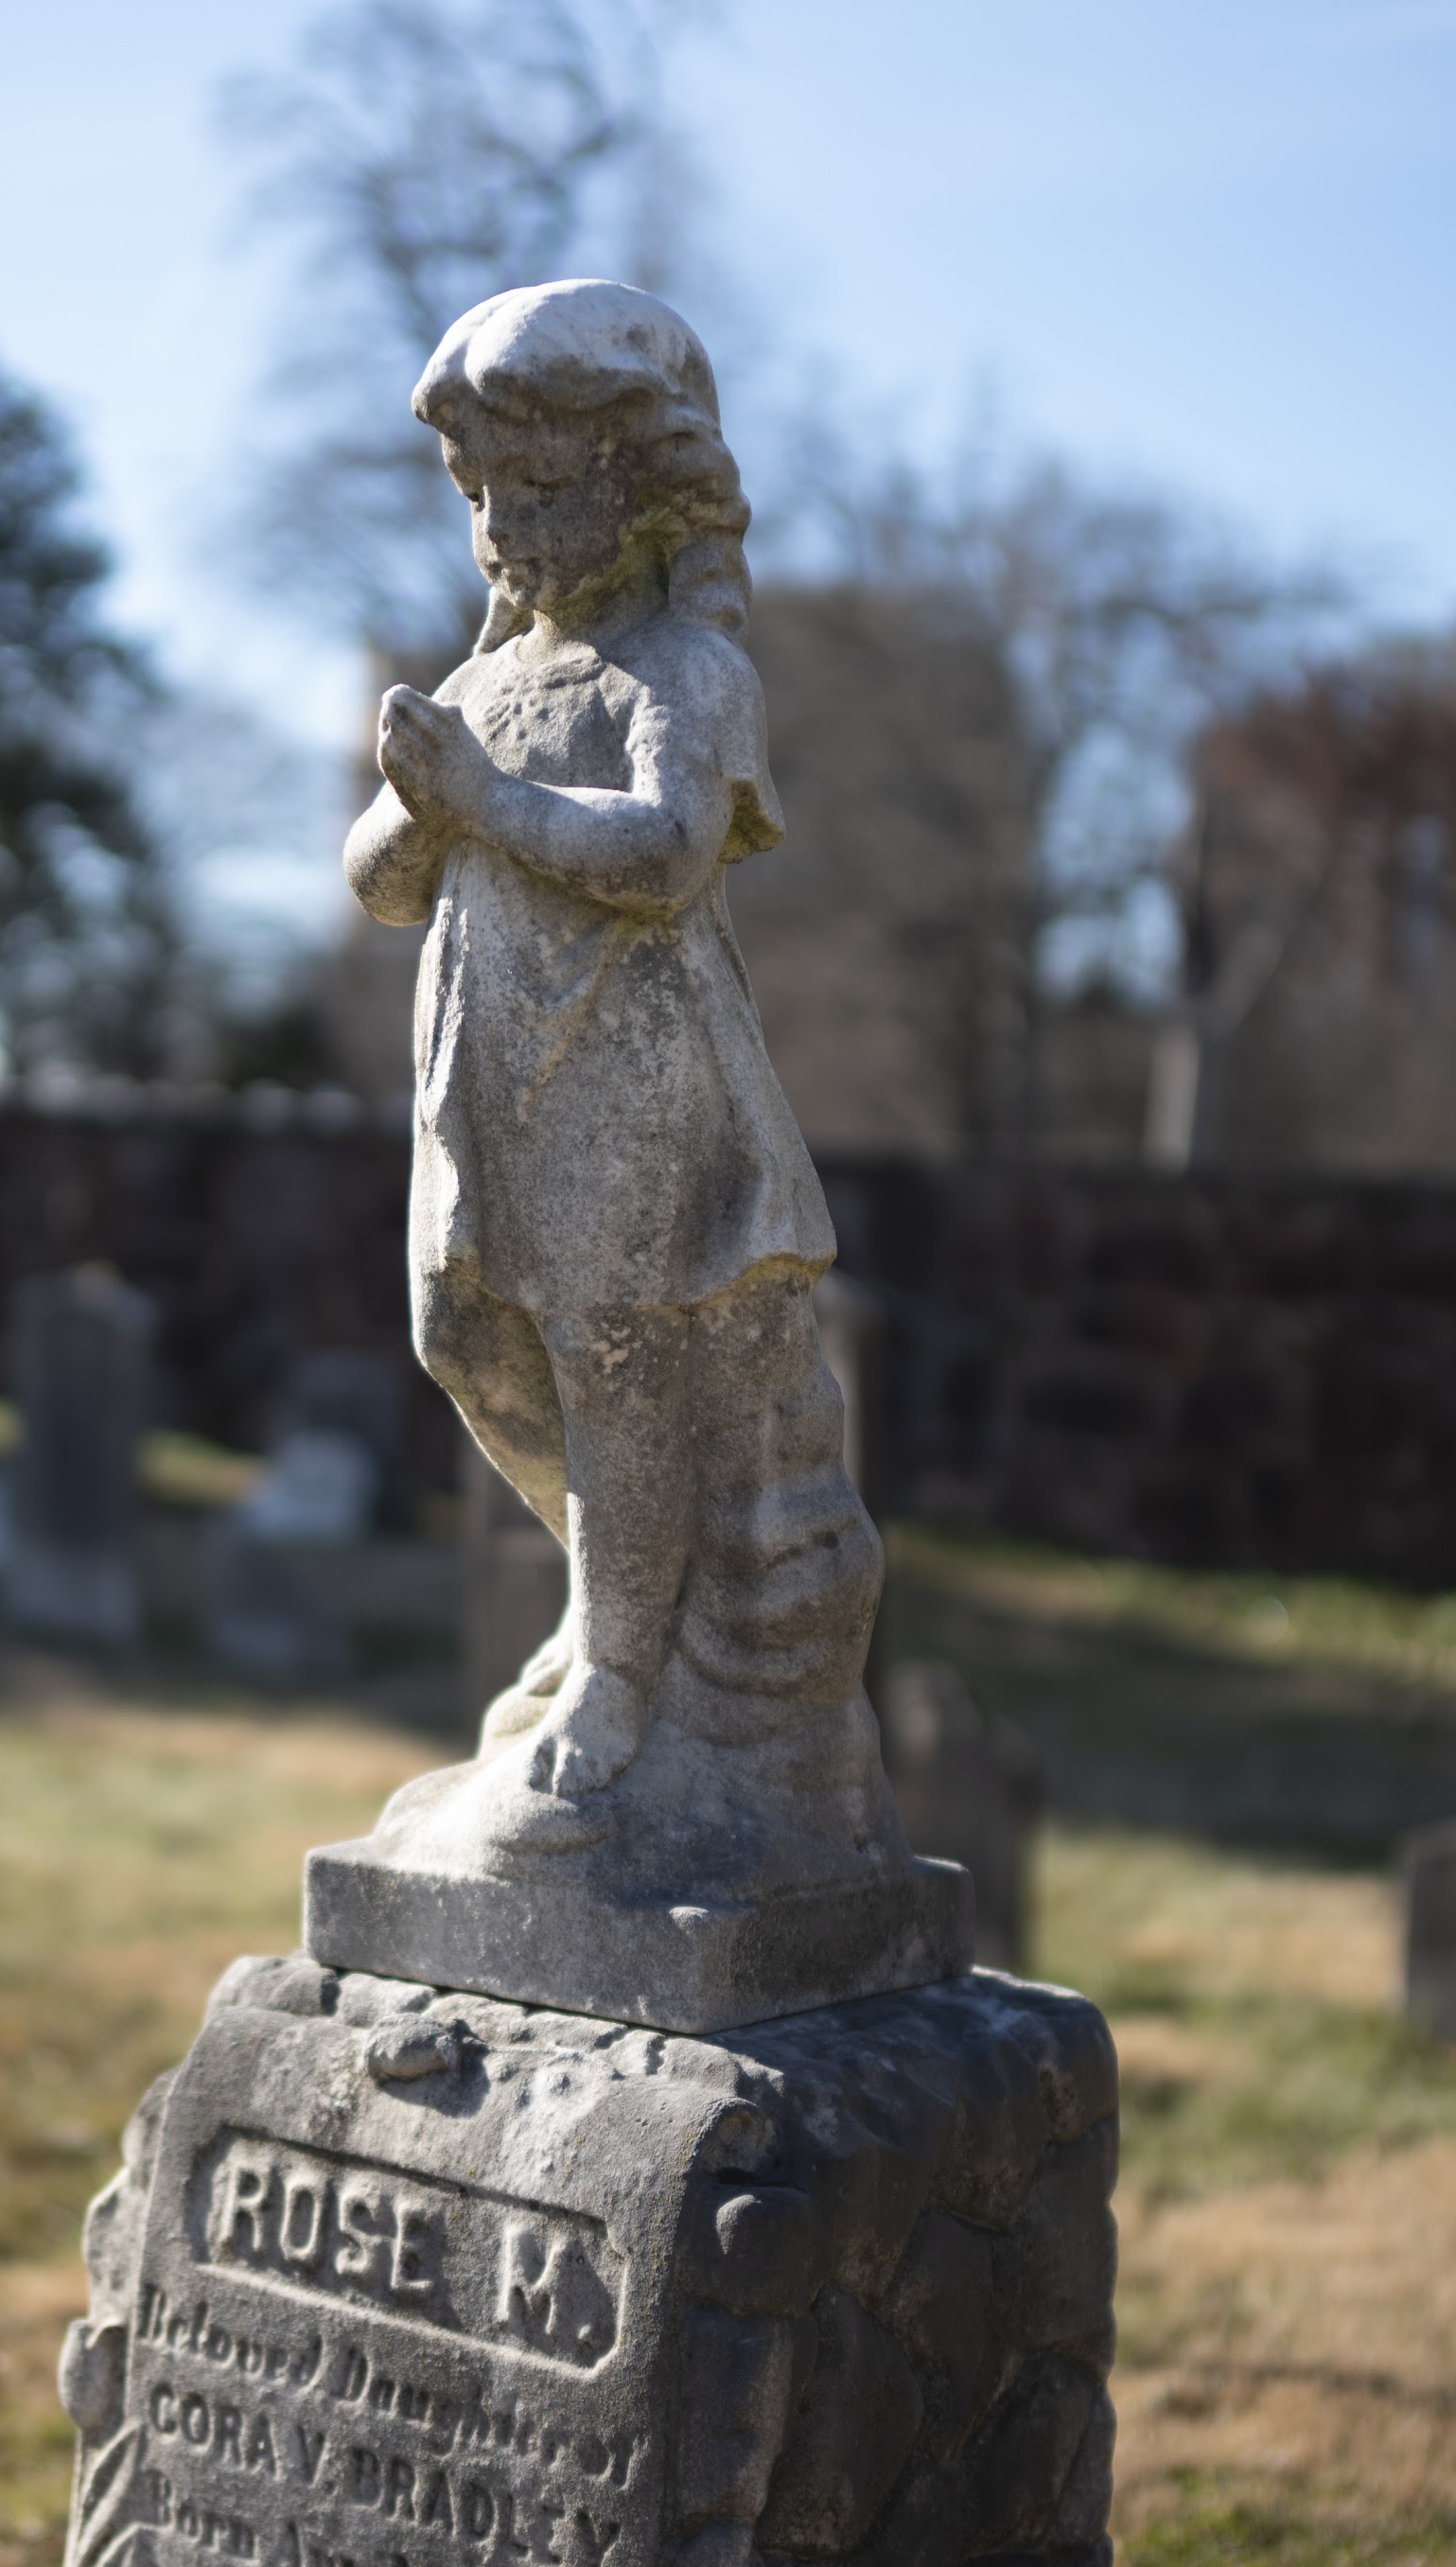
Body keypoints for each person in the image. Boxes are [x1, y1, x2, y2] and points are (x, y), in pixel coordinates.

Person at [344, 279, 876, 1814]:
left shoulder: (685, 675)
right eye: (479, 493)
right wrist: (419, 804)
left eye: (538, 486)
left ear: (644, 487)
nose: (501, 526)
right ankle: (614, 1601)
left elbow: (664, 853)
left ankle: (626, 1674)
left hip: (628, 1090)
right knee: (465, 1339)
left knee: (612, 1358)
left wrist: (484, 802)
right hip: (482, 1086)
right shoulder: (484, 684)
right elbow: (379, 882)